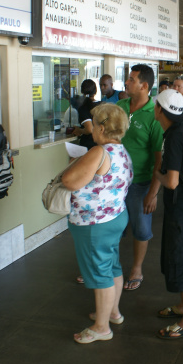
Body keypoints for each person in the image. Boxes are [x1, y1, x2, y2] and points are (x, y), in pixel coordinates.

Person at [62, 103, 133, 344]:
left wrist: (74, 162)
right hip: (115, 217)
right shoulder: (122, 151)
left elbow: (69, 181)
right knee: (112, 266)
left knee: (99, 272)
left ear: (102, 128)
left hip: (94, 223)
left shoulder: (98, 152)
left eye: (94, 123)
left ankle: (101, 327)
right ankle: (112, 312)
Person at [152, 89, 183, 339]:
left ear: (160, 110)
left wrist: (156, 172)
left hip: (180, 207)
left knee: (181, 258)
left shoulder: (172, 138)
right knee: (181, 255)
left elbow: (171, 182)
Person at [117, 64, 163, 291]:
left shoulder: (154, 115)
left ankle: (136, 268)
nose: (126, 83)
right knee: (111, 225)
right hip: (115, 181)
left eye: (131, 80)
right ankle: (105, 268)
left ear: (144, 86)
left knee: (141, 228)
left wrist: (153, 193)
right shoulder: (120, 106)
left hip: (140, 183)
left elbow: (159, 160)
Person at [72, 80, 100, 149]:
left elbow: (89, 129)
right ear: (95, 91)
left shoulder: (83, 108)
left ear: (82, 92)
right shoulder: (103, 105)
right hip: (102, 145)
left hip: (89, 146)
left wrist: (80, 130)